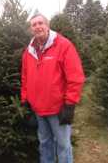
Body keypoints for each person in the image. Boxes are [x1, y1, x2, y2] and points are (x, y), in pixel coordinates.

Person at [21, 13, 85, 163]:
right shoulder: (28, 52)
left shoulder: (63, 45)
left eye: (40, 23)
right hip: (38, 109)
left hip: (58, 109)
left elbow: (76, 77)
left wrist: (69, 104)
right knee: (44, 143)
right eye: (34, 25)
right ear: (31, 29)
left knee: (63, 145)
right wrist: (25, 101)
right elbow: (25, 78)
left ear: (47, 25)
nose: (37, 27)